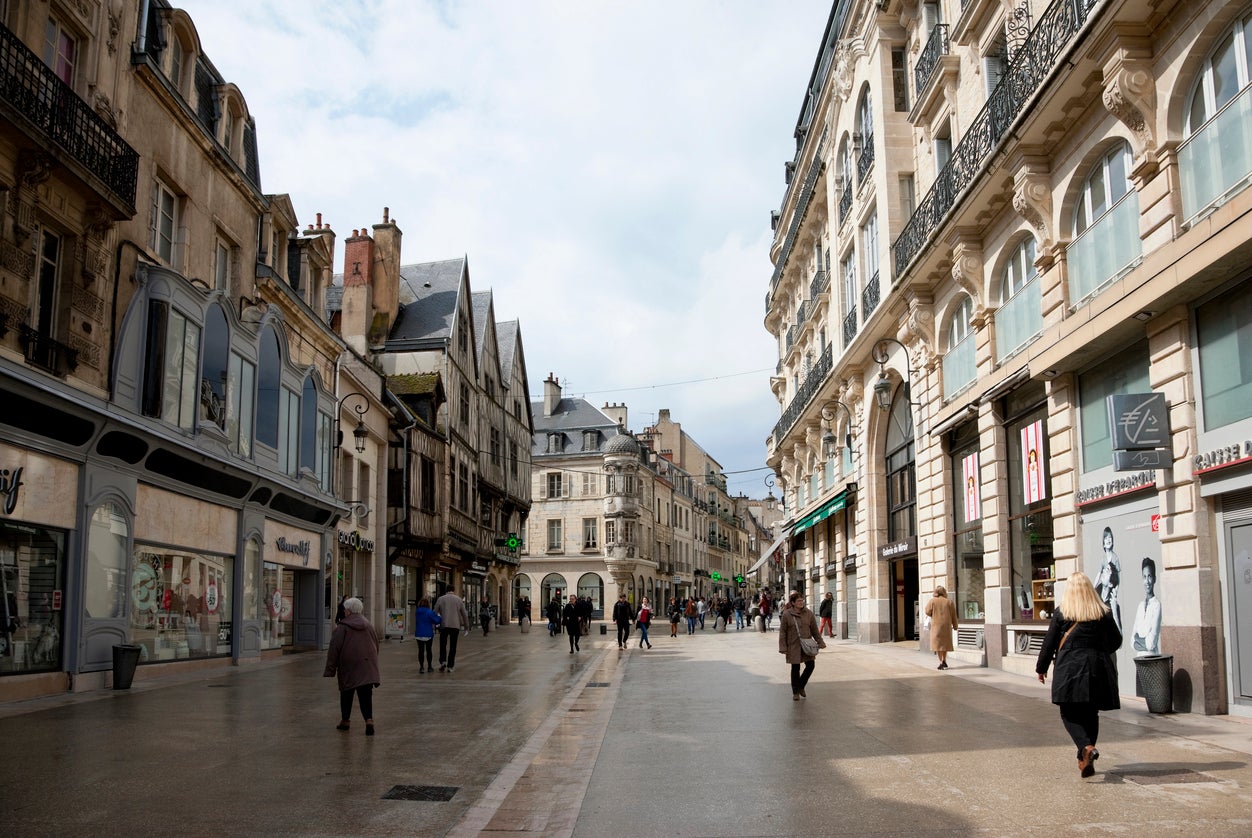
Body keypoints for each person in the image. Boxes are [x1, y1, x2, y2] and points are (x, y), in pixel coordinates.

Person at [1035, 571, 1122, 778]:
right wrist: (1099, 650)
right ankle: (1085, 757)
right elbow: (1116, 641)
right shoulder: (1103, 612)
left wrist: (1041, 668)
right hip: (1097, 667)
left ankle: (1086, 748)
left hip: (1070, 668)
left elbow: (1049, 644)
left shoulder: (1062, 612)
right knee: (1091, 712)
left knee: (1068, 712)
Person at [323, 597, 380, 736]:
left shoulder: (342, 627)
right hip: (367, 664)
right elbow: (376, 644)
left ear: (348, 611)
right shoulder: (368, 625)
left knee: (346, 692)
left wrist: (330, 669)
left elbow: (334, 649)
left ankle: (345, 720)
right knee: (366, 694)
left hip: (348, 664)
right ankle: (369, 720)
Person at [779, 591, 825, 700]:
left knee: (810, 665)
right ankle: (795, 692)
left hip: (807, 645)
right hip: (793, 645)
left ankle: (801, 686)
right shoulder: (787, 614)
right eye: (798, 601)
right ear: (793, 603)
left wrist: (820, 642)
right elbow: (783, 632)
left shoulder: (808, 613)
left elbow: (814, 630)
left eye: (802, 600)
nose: (801, 602)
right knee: (795, 668)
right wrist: (783, 647)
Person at [433, 588, 468, 673]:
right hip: (455, 625)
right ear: (453, 590)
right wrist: (466, 626)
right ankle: (450, 666)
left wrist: (433, 624)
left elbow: (434, 612)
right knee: (453, 646)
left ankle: (443, 661)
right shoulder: (458, 599)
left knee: (443, 644)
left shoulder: (441, 599)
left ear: (446, 590)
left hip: (444, 625)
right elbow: (464, 614)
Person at [1094, 526, 1122, 633]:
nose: (1108, 540)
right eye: (1106, 538)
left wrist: (1115, 592)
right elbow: (1098, 574)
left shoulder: (1115, 558)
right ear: (1103, 543)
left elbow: (1117, 578)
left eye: (1110, 537)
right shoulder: (1103, 559)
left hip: (1111, 589)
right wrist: (1093, 587)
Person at [1132, 558, 1162, 656]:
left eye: (1149, 576)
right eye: (1144, 577)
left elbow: (1151, 644)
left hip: (1152, 661)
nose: (1147, 581)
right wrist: (1140, 640)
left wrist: (1138, 640)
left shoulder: (1156, 605)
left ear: (1154, 579)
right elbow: (1132, 642)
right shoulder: (1140, 606)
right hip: (1139, 662)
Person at [924, 586, 959, 670]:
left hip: (936, 626)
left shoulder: (932, 601)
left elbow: (927, 611)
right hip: (946, 626)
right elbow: (954, 615)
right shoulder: (949, 602)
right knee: (944, 644)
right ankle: (945, 660)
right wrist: (955, 626)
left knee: (938, 645)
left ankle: (940, 662)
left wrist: (933, 613)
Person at [412, 597, 440, 674]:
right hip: (428, 634)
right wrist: (439, 617)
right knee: (428, 650)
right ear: (428, 604)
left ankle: (421, 667)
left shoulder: (417, 612)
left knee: (420, 651)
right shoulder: (429, 612)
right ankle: (430, 667)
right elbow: (436, 620)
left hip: (419, 633)